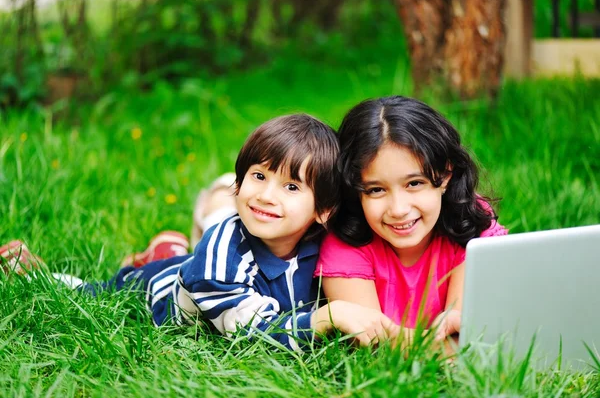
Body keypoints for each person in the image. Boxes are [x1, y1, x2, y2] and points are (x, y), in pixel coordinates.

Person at [1, 113, 400, 350]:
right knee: (94, 291)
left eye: (291, 187)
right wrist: (321, 321)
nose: (265, 195)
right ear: (239, 182)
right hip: (156, 295)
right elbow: (247, 332)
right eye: (258, 176)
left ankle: (166, 249)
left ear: (324, 210)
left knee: (175, 259)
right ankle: (34, 270)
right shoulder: (221, 253)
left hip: (187, 270)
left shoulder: (325, 247)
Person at [315, 96, 508, 344]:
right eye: (375, 190)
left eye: (414, 183)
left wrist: (458, 337)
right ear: (354, 190)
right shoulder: (345, 239)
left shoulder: (471, 220)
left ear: (445, 175)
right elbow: (374, 345)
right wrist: (450, 342)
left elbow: (470, 335)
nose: (398, 209)